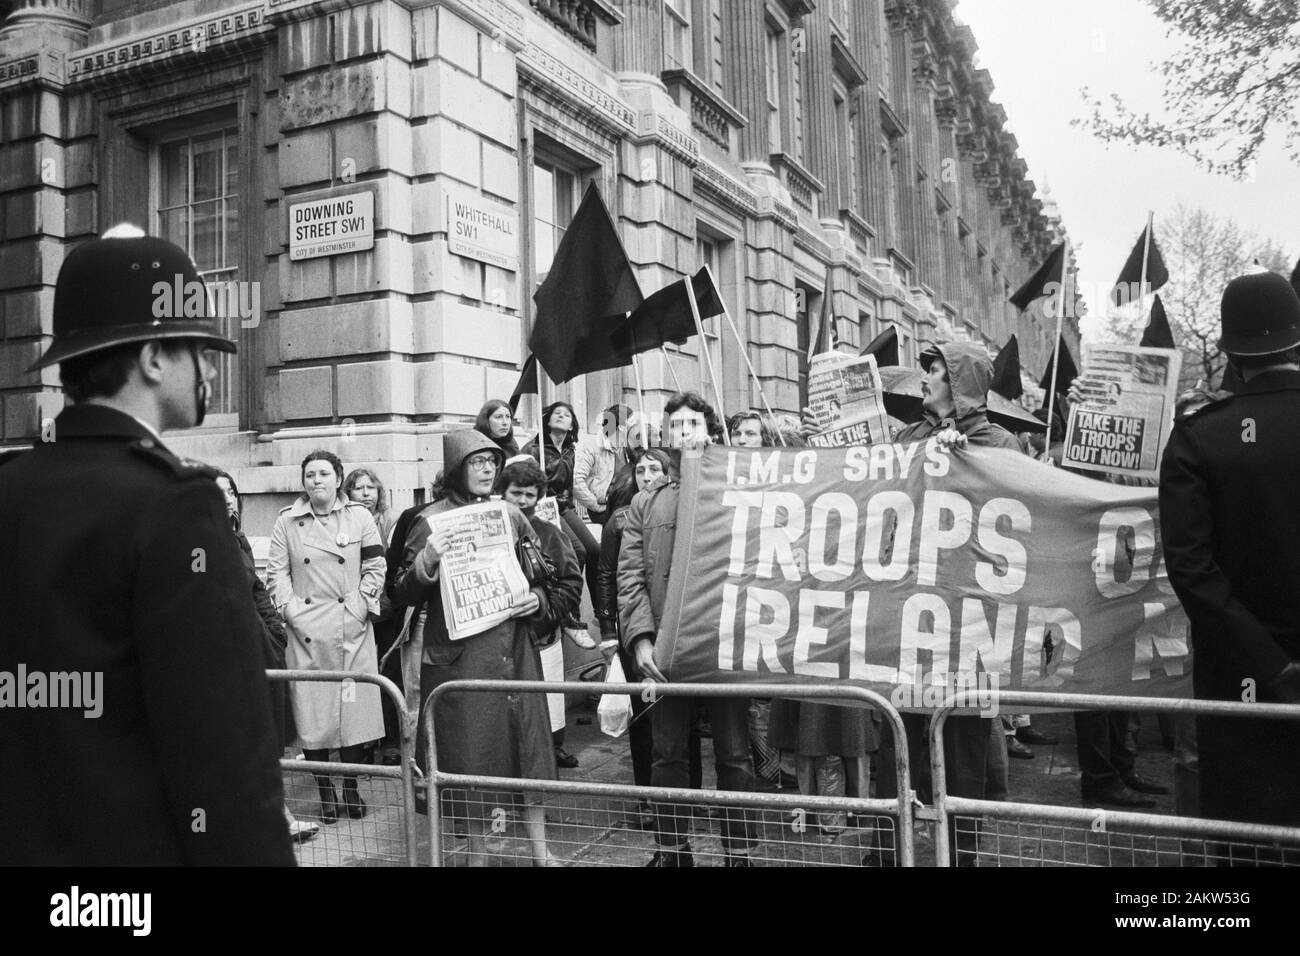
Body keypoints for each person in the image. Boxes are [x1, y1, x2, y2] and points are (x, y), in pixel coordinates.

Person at [0, 225, 292, 865]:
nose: (211, 371)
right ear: (155, 357)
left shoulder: (11, 487)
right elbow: (224, 756)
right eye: (201, 352)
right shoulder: (176, 505)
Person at [1159, 271, 1300, 835]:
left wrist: (1271, 665)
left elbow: (1192, 569)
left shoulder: (1200, 436)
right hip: (1248, 678)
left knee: (1250, 840)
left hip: (1242, 684)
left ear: (1230, 354)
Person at [394, 429, 563, 865]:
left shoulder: (510, 515)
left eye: (492, 461)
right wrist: (426, 560)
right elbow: (400, 595)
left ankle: (542, 853)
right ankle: (476, 856)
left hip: (516, 655)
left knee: (529, 755)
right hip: (461, 661)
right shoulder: (427, 521)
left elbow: (549, 577)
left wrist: (538, 600)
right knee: (469, 761)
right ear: (456, 467)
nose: (488, 469)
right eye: (477, 461)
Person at [619, 391, 758, 867]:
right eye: (674, 425)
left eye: (692, 424)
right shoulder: (645, 502)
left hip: (722, 645)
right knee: (668, 755)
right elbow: (630, 576)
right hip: (665, 646)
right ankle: (673, 851)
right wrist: (639, 640)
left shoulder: (738, 489)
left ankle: (739, 852)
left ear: (710, 431)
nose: (683, 433)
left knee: (735, 755)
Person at [267, 450, 387, 823]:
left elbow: (375, 565)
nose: (316, 481)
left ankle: (350, 789)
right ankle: (326, 794)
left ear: (338, 479)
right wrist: (290, 611)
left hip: (351, 631)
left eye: (323, 474)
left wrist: (362, 607)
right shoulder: (286, 521)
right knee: (314, 716)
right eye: (309, 475)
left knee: (353, 714)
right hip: (305, 634)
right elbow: (276, 573)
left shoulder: (360, 517)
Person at [215, 470, 320, 843]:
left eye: (231, 491)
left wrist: (274, 630)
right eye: (217, 492)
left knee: (264, 734)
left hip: (260, 647)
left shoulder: (236, 537)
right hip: (227, 653)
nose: (227, 498)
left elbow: (257, 588)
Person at [596, 448, 703, 811]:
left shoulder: (683, 508)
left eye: (653, 468)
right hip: (636, 631)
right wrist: (609, 629)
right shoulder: (620, 520)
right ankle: (647, 796)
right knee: (644, 721)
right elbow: (609, 576)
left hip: (679, 632)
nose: (645, 475)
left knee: (682, 722)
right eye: (639, 470)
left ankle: (692, 794)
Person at [498, 458, 585, 768]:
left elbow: (571, 581)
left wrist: (545, 611)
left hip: (540, 636)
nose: (522, 500)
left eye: (529, 495)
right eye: (516, 493)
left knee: (547, 706)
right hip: (498, 641)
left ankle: (551, 750)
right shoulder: (489, 529)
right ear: (502, 492)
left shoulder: (549, 533)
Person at [344, 466, 401, 763]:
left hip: (386, 610)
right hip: (356, 613)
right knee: (361, 678)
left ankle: (391, 740)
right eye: (358, 488)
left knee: (390, 673)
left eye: (371, 488)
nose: (366, 494)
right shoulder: (345, 520)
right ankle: (364, 741)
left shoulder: (390, 521)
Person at [521, 401, 601, 615]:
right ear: (547, 420)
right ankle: (569, 610)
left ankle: (600, 609)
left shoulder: (570, 450)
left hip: (565, 507)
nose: (561, 416)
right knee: (577, 552)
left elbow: (575, 482)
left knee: (594, 551)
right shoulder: (533, 448)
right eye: (556, 413)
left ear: (572, 424)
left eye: (566, 414)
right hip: (543, 507)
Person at [573, 403, 636, 527]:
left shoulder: (628, 446)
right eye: (631, 423)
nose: (635, 427)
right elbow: (576, 480)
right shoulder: (592, 446)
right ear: (620, 427)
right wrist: (595, 505)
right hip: (605, 509)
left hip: (626, 504)